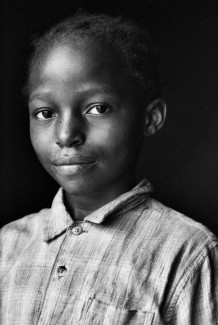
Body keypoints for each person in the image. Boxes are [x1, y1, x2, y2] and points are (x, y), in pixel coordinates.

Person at [0, 11, 218, 325]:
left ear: (150, 118)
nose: (66, 135)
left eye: (98, 108)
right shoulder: (8, 244)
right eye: (45, 113)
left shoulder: (186, 253)